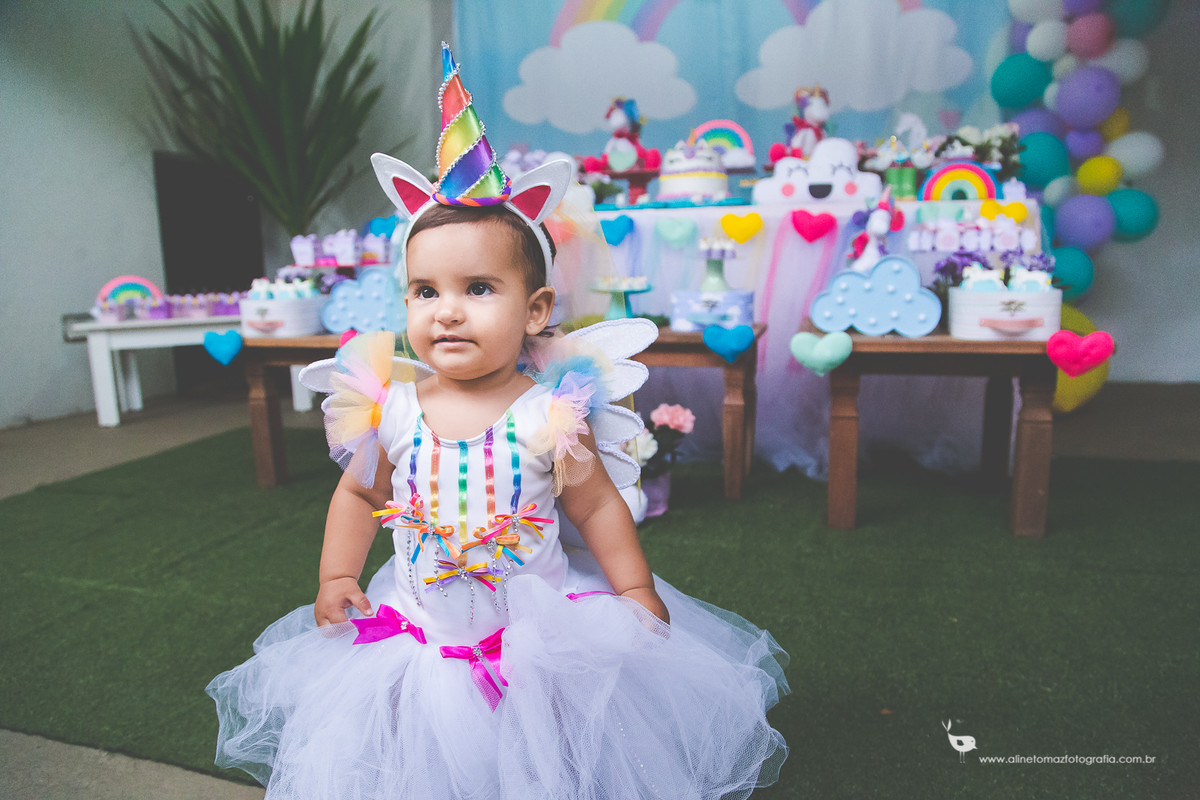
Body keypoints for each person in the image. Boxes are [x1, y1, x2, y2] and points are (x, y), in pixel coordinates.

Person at [206, 44, 787, 799]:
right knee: (418, 754)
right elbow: (357, 494)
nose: (446, 310)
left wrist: (635, 587)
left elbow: (595, 505)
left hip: (537, 641)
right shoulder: (391, 406)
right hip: (419, 634)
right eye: (425, 291)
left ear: (536, 310)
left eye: (478, 288)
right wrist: (338, 575)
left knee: (544, 753)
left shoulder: (552, 413)